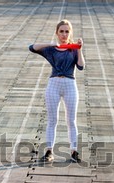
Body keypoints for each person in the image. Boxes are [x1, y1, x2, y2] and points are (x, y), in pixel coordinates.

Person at [29, 19, 85, 163]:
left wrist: (79, 48)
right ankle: (49, 151)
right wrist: (51, 44)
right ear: (57, 33)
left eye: (67, 31)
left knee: (71, 120)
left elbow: (80, 66)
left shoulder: (73, 49)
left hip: (69, 84)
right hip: (53, 84)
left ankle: (74, 151)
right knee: (52, 120)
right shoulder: (51, 50)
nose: (64, 34)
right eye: (61, 31)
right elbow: (32, 47)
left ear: (70, 33)